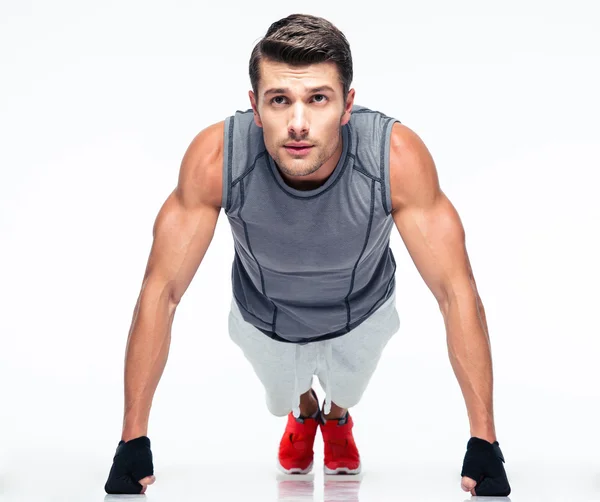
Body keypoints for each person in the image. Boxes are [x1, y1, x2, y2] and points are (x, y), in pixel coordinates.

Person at [104, 13, 511, 497]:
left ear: (346, 105)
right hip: (264, 316)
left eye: (318, 98)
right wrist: (133, 438)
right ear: (256, 107)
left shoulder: (396, 158)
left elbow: (455, 291)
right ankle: (303, 410)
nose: (298, 123)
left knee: (348, 389)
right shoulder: (216, 158)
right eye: (280, 100)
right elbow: (161, 291)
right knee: (281, 396)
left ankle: (335, 415)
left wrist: (484, 439)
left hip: (362, 311)